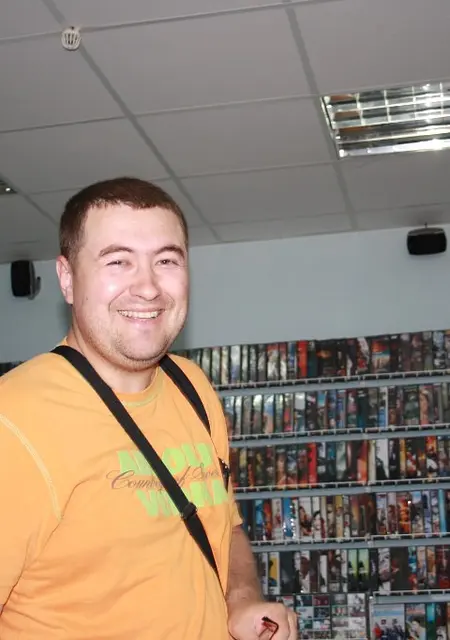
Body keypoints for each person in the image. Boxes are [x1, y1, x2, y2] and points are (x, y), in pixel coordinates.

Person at [0, 177, 297, 639]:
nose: (148, 287)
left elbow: (226, 528)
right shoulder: (15, 419)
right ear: (67, 279)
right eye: (118, 261)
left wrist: (241, 599)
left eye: (166, 260)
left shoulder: (192, 387)